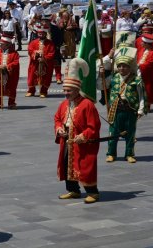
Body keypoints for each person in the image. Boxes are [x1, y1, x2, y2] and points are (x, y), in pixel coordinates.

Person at [54, 58, 102, 204]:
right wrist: (59, 128)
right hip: (67, 139)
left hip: (82, 141)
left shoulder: (87, 104)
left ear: (76, 90)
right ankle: (73, 190)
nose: (66, 93)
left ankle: (93, 192)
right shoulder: (64, 104)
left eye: (69, 91)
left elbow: (94, 126)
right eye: (65, 90)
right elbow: (57, 118)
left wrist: (84, 135)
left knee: (85, 165)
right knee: (67, 164)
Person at [101, 49, 146, 163]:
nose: (122, 68)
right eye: (120, 66)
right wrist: (102, 73)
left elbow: (141, 96)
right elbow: (101, 85)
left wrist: (141, 110)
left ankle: (129, 154)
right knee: (113, 133)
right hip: (116, 110)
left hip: (130, 110)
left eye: (125, 66)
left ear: (130, 67)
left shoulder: (136, 79)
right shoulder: (113, 78)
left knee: (130, 133)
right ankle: (111, 153)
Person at [0, 35, 20, 109]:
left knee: (11, 87)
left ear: (8, 44)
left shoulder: (14, 53)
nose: (0, 45)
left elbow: (16, 63)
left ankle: (11, 103)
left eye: (2, 44)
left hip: (10, 74)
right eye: (0, 43)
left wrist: (7, 66)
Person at [26, 24, 55, 97]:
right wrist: (35, 53)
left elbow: (51, 53)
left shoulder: (50, 43)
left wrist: (44, 58)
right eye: (39, 33)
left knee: (45, 77)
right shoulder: (33, 42)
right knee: (32, 76)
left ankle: (43, 91)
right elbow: (30, 50)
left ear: (45, 34)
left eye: (42, 33)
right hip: (35, 63)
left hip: (45, 64)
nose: (40, 34)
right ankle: (31, 91)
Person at [136, 33, 153, 109]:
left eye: (142, 42)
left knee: (147, 90)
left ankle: (146, 106)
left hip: (148, 76)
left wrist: (137, 66)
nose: (141, 43)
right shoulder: (142, 50)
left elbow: (148, 65)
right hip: (139, 73)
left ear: (147, 44)